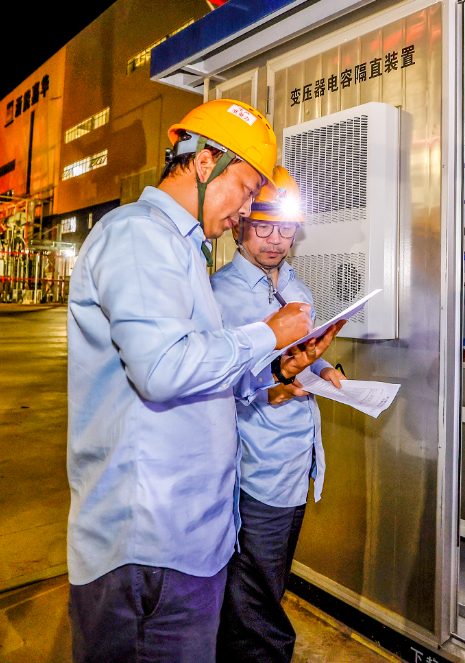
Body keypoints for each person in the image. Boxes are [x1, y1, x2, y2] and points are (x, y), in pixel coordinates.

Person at [66, 99, 326, 663]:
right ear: (205, 162)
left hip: (187, 541)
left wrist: (277, 369)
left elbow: (201, 371)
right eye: (247, 188)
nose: (248, 209)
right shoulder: (138, 235)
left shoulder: (182, 248)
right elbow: (162, 369)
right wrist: (267, 334)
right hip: (147, 547)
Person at [211, 167, 346, 663]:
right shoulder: (219, 295)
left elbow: (302, 353)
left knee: (268, 583)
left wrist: (325, 369)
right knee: (254, 601)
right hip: (255, 471)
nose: (276, 240)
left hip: (296, 464)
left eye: (286, 228)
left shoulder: (296, 285)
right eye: (264, 227)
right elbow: (210, 381)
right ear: (240, 226)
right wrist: (273, 388)